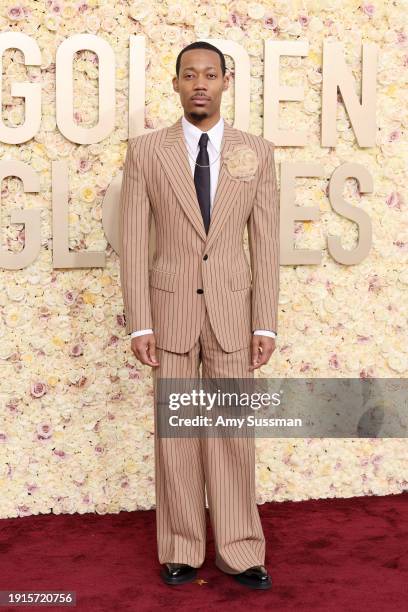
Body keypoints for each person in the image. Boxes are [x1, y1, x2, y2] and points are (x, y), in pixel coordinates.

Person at [119, 41, 279, 590]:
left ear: (225, 81)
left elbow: (265, 243)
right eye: (190, 75)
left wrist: (265, 322)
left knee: (234, 435)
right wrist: (141, 321)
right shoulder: (145, 153)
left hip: (235, 314)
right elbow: (135, 242)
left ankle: (240, 550)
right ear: (176, 84)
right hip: (170, 314)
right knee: (178, 438)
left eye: (210, 74)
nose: (200, 83)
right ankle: (181, 547)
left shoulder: (257, 151)